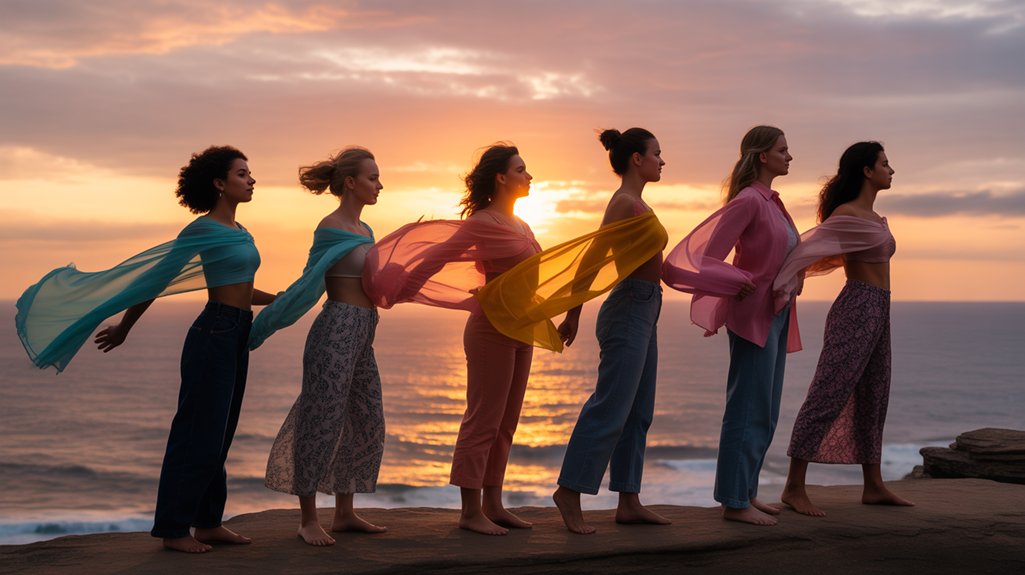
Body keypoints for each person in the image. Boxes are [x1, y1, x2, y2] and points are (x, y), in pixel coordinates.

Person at [16, 146, 277, 552]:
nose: (251, 179)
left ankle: (208, 522)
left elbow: (242, 288)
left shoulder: (242, 232)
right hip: (214, 333)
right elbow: (154, 280)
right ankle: (174, 529)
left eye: (250, 173)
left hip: (238, 332)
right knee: (196, 433)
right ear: (219, 183)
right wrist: (125, 327)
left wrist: (278, 299)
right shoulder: (201, 229)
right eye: (242, 173)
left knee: (221, 433)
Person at [662, 126, 801, 526]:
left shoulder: (773, 202)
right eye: (783, 150)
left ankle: (748, 492)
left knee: (767, 409)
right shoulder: (748, 201)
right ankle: (733, 501)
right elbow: (708, 257)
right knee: (746, 408)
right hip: (753, 315)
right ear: (762, 156)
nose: (789, 157)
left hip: (777, 314)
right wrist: (736, 283)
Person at [250, 148, 386, 546]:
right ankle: (308, 519)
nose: (379, 185)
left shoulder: (367, 231)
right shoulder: (331, 228)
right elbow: (307, 283)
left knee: (366, 419)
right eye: (373, 178)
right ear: (350, 183)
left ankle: (344, 513)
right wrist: (261, 326)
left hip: (364, 331)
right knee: (320, 420)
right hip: (336, 330)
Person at [772, 141, 913, 516]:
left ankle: (874, 485)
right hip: (857, 308)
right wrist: (784, 284)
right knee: (828, 392)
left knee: (875, 392)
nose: (891, 170)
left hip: (879, 309)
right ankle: (793, 487)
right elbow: (803, 250)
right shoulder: (847, 215)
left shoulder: (874, 218)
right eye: (885, 163)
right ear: (867, 171)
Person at [552, 128, 671, 534]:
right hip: (628, 309)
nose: (662, 160)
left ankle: (629, 499)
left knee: (638, 413)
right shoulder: (623, 203)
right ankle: (570, 491)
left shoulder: (637, 203)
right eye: (656, 153)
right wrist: (573, 315)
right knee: (611, 406)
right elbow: (591, 259)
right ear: (636, 159)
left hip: (647, 306)